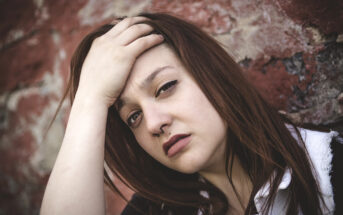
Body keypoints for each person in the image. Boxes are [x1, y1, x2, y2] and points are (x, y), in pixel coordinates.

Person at [40, 13, 342, 215]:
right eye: (134, 117)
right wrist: (88, 101)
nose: (155, 124)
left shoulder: (331, 171)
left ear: (212, 76)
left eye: (166, 87)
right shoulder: (155, 210)